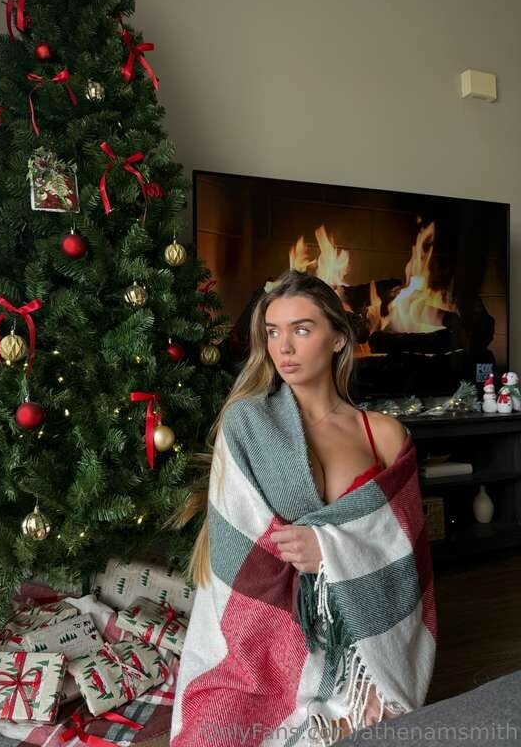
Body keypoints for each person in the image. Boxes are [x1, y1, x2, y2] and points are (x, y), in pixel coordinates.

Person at [167, 269, 436, 746]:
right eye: (273, 332)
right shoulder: (248, 424)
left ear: (338, 339)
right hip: (267, 643)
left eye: (302, 329)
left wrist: (329, 549)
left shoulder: (382, 433)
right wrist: (331, 549)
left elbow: (406, 556)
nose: (284, 347)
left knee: (371, 724)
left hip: (362, 642)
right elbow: (237, 551)